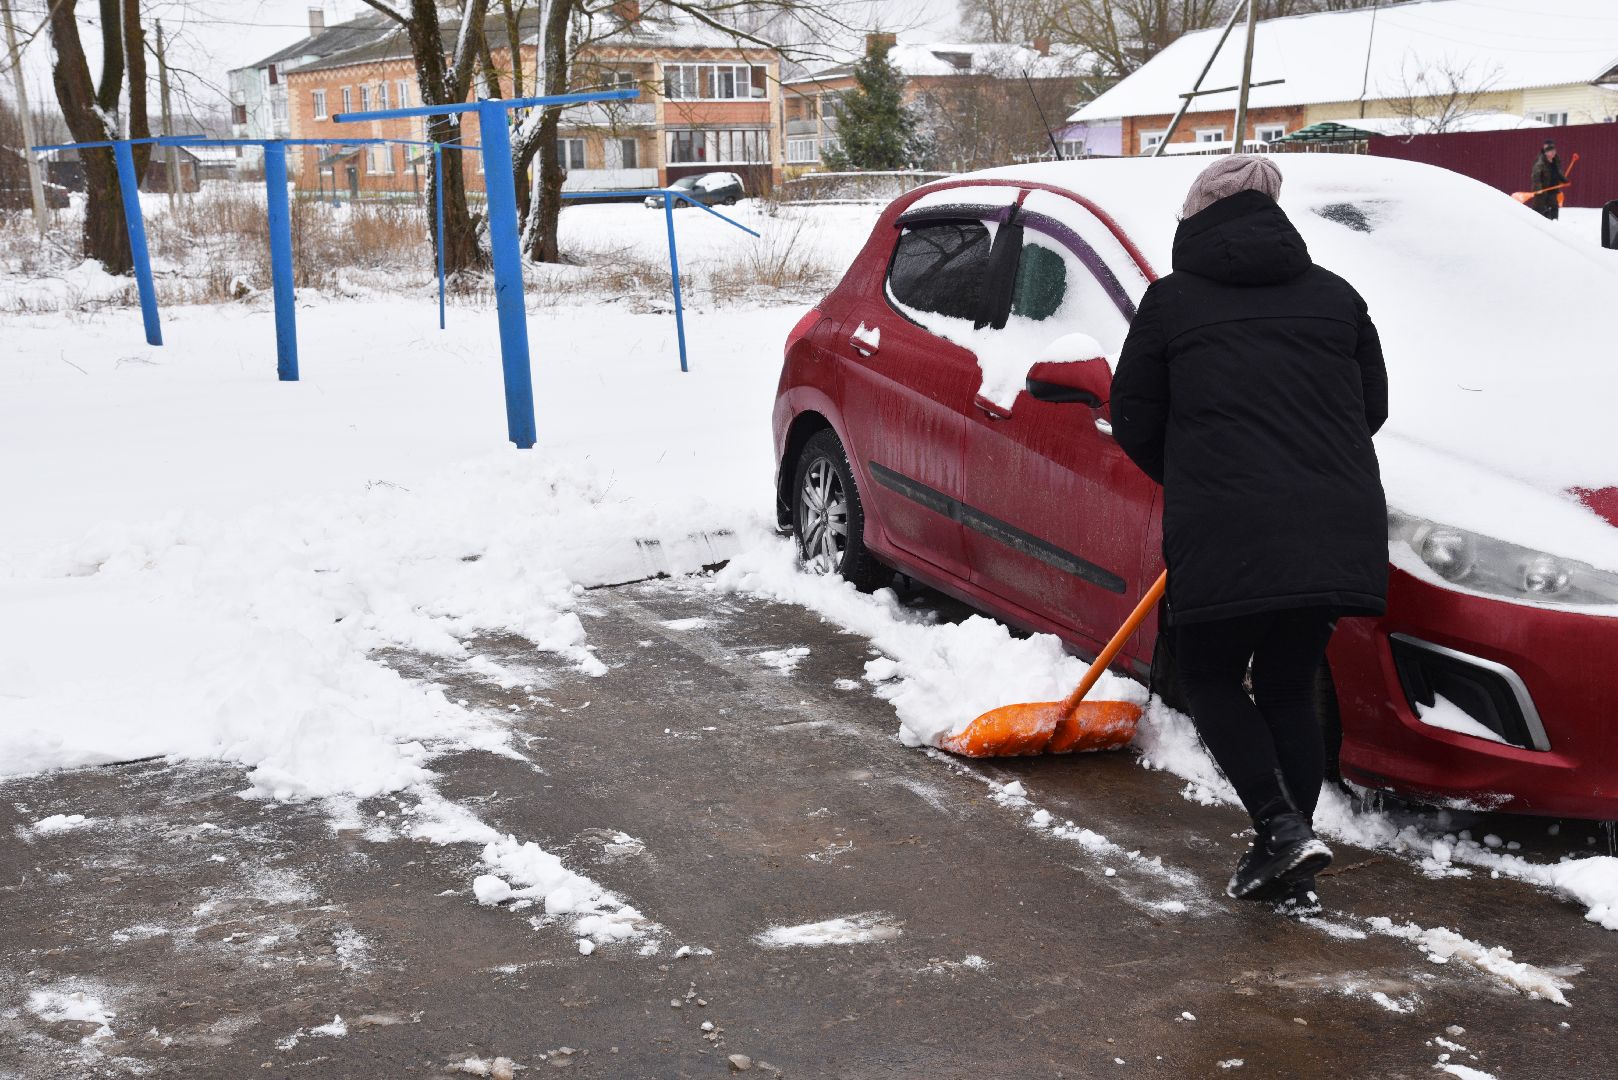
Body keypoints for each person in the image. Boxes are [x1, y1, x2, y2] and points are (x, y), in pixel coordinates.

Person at [1110, 155, 1388, 914]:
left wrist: (1197, 470)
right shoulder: (1337, 298)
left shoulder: (1170, 305)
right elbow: (1371, 408)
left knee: (1209, 676)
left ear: (1193, 222)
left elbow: (1132, 415)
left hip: (1225, 522)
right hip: (1334, 521)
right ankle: (1286, 855)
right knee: (1289, 683)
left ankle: (1280, 829)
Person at [1530, 140, 1566, 220]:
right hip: (1542, 190)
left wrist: (1563, 179)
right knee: (1539, 209)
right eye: (1550, 150)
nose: (1553, 152)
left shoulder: (1556, 160)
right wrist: (1538, 188)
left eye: (1553, 150)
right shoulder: (1540, 161)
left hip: (1553, 189)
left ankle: (1553, 223)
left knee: (1554, 207)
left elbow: (1558, 172)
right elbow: (1536, 176)